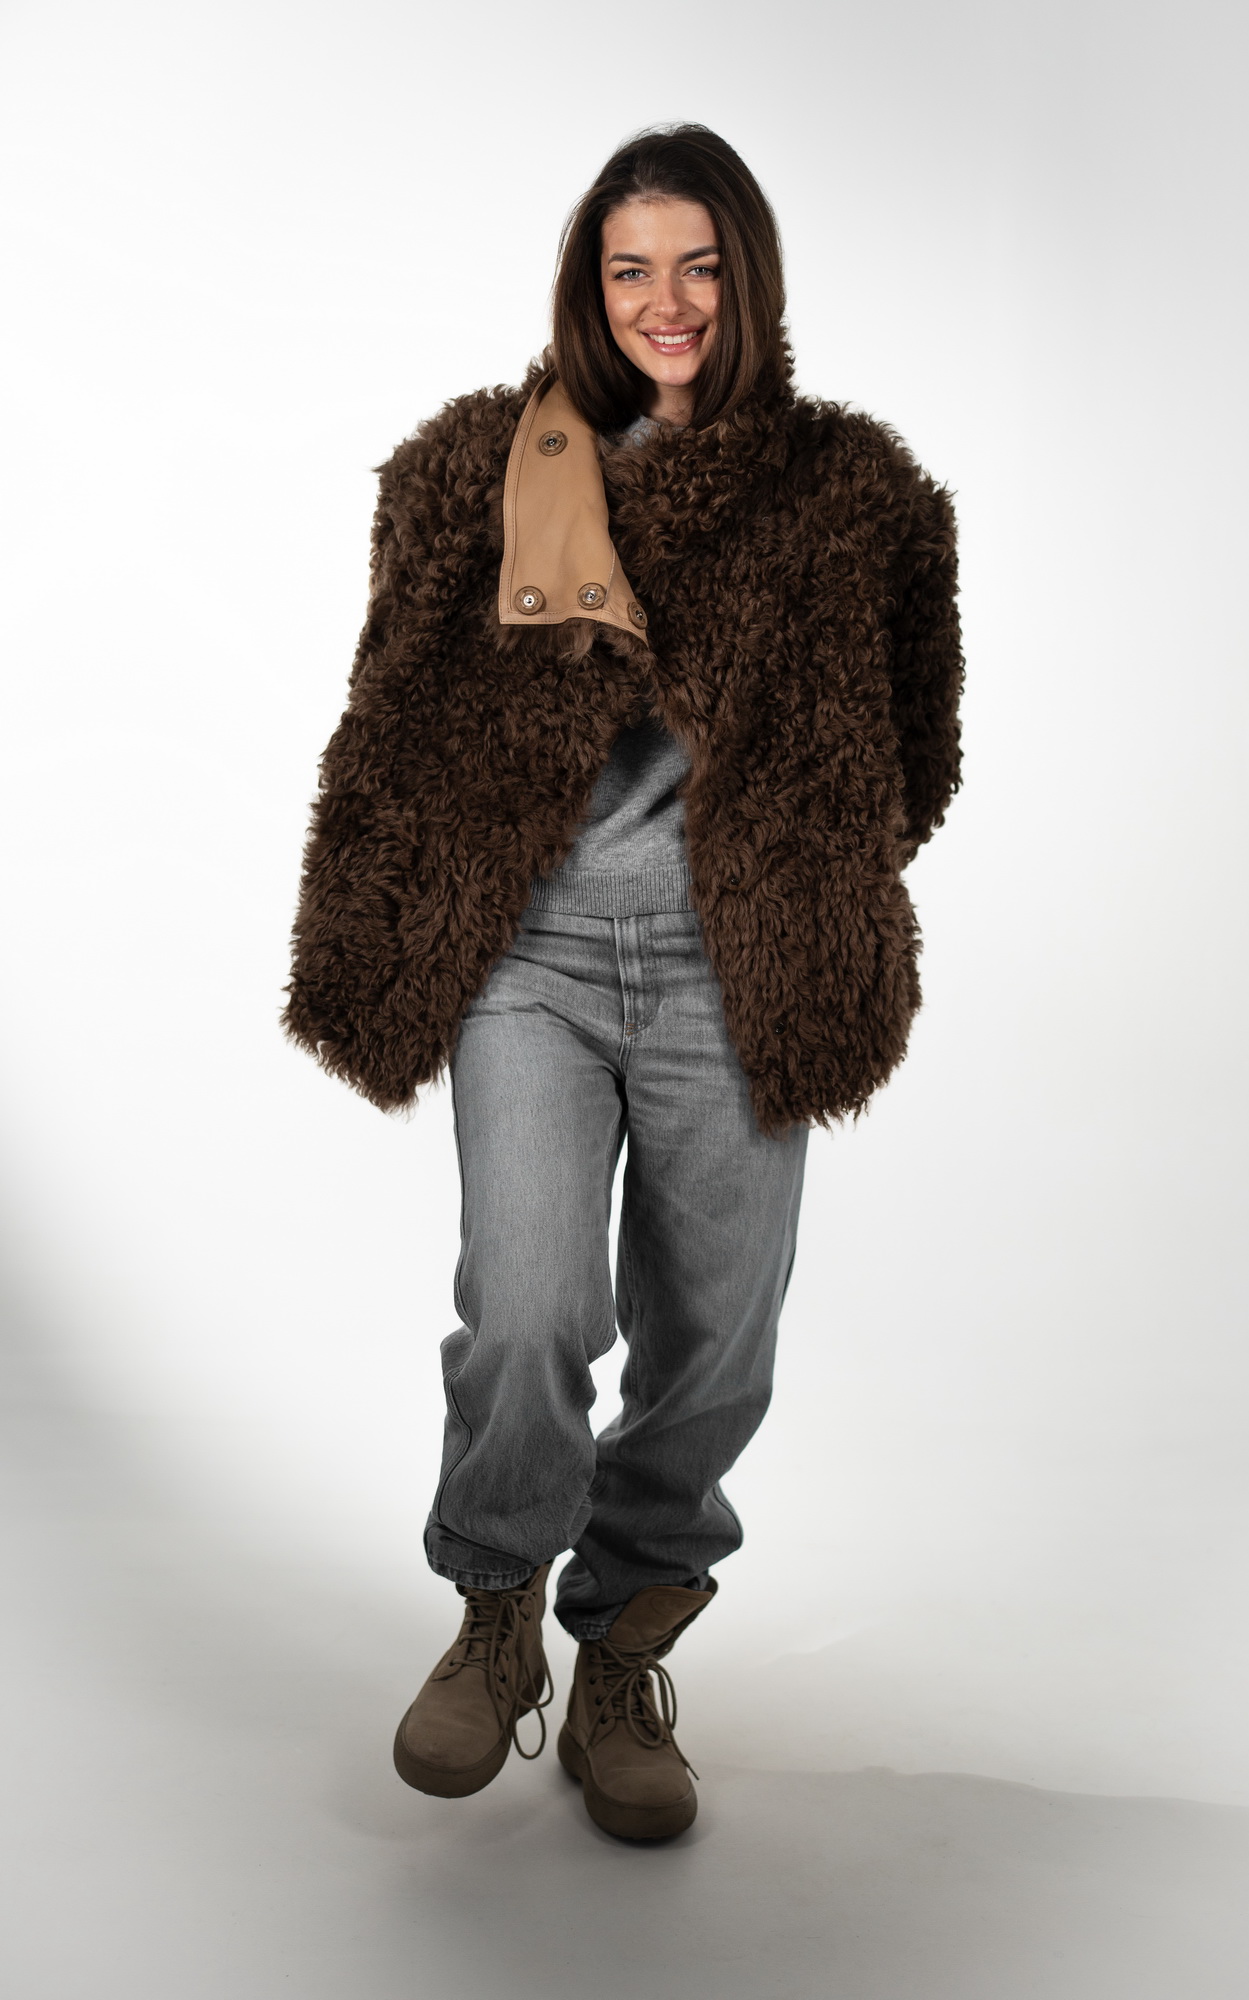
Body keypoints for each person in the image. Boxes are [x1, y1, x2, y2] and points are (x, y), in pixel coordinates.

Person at [284, 124, 963, 1841]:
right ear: (588, 289)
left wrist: (804, 869)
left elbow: (915, 748)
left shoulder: (853, 493)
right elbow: (389, 715)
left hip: (741, 962)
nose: (667, 301)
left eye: (700, 266)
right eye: (629, 267)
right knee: (527, 1307)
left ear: (750, 280)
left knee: (715, 1349)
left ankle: (621, 1649)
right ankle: (495, 1607)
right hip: (533, 955)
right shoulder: (477, 470)